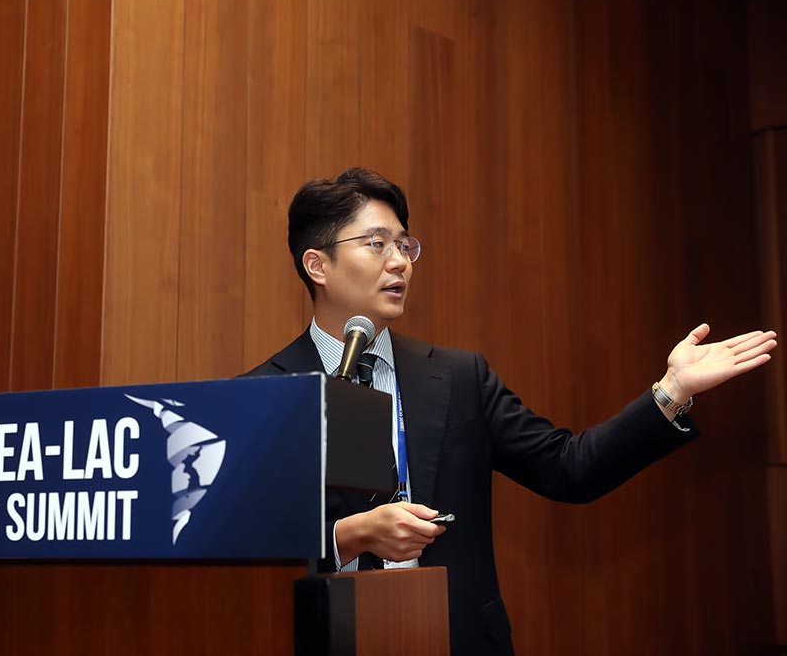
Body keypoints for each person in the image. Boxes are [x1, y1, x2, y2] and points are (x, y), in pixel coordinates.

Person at [242, 167, 778, 655]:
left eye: (404, 244)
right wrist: (347, 536)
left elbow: (570, 467)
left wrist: (671, 391)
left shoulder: (458, 377)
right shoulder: (265, 394)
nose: (400, 260)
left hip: (459, 641)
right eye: (377, 243)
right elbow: (246, 543)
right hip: (325, 641)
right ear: (317, 265)